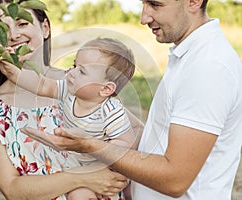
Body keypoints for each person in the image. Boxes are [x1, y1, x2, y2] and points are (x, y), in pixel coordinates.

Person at [21, 0, 242, 199]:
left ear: (193, 2)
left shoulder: (208, 68)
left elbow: (175, 180)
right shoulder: (190, 57)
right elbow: (164, 139)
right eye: (143, 4)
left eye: (155, 5)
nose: (143, 18)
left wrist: (90, 145)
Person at [0, 1, 129, 200]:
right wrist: (82, 178)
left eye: (22, 23)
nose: (13, 35)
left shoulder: (85, 86)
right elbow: (12, 190)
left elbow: (131, 136)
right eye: (2, 28)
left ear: (45, 29)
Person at [0, 37, 137, 200]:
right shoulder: (70, 91)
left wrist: (96, 149)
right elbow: (42, 85)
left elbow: (126, 142)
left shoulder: (110, 110)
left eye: (82, 71)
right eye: (74, 65)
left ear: (106, 89)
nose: (71, 72)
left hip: (104, 165)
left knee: (83, 195)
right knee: (76, 192)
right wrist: (14, 73)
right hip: (79, 162)